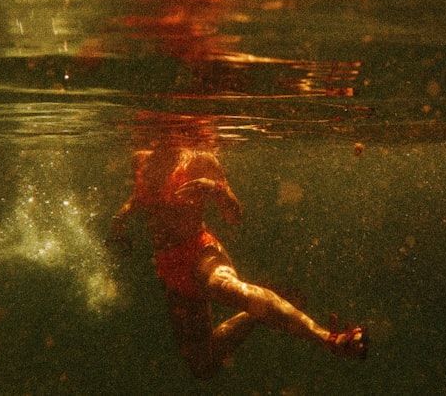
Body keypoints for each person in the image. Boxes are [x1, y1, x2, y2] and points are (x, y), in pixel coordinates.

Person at [109, 129, 367, 379]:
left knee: (220, 286)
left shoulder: (199, 159)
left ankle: (325, 337)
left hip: (200, 251)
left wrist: (216, 189)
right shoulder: (141, 158)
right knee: (202, 364)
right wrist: (120, 218)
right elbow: (140, 198)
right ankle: (259, 307)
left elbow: (234, 216)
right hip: (168, 267)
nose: (164, 137)